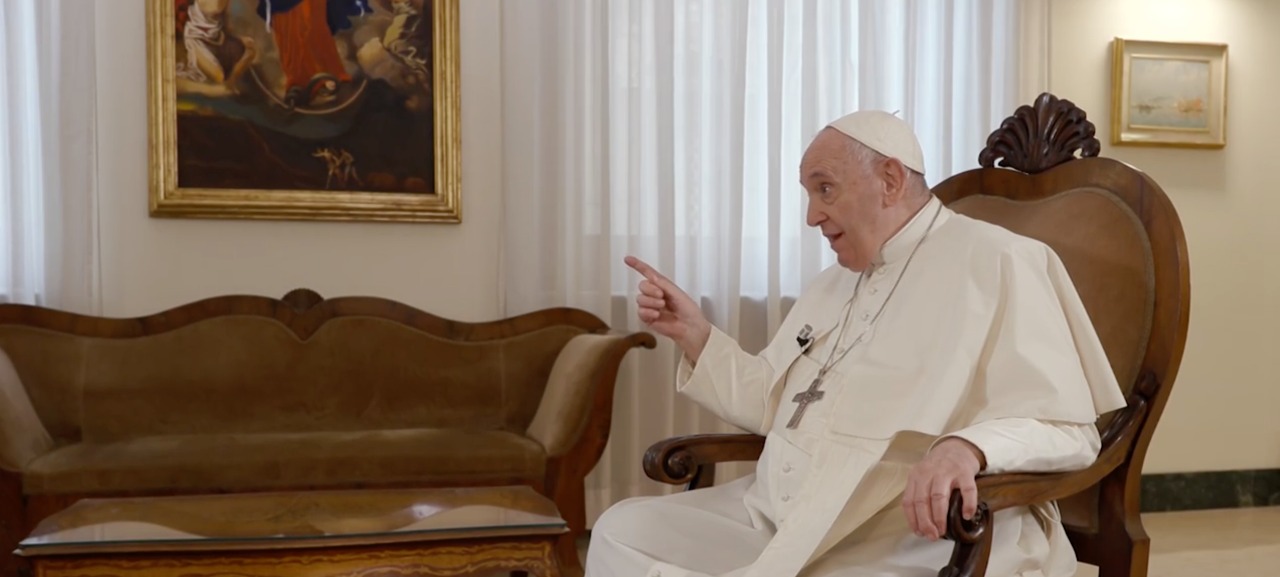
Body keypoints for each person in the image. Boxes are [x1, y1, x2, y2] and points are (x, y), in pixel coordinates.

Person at [585, 110, 1127, 577]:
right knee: (622, 530)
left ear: (890, 179)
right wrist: (697, 335)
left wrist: (967, 447)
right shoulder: (833, 283)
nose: (811, 216)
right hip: (777, 514)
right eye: (809, 194)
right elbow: (774, 406)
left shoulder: (1000, 260)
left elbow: (1070, 431)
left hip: (897, 531)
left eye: (825, 189)